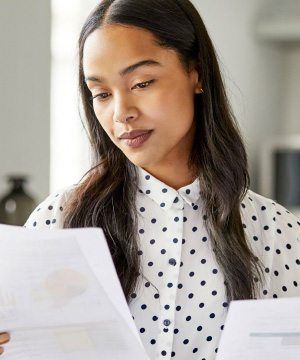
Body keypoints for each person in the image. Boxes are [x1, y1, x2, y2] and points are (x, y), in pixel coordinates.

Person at [1, 0, 300, 358]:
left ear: (197, 74)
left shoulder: (278, 233)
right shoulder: (56, 223)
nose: (121, 113)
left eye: (142, 83)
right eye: (101, 94)